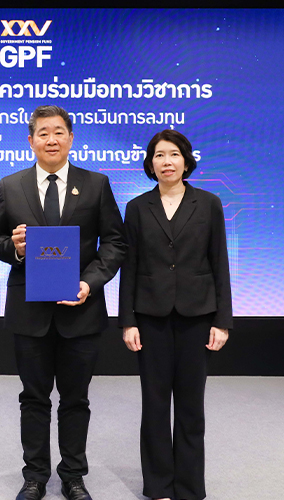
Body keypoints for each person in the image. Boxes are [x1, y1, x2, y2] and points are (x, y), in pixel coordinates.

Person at [0, 105, 126, 500]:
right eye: (43, 133)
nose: (51, 139)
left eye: (59, 132)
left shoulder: (96, 184)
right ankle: (34, 477)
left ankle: (73, 476)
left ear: (71, 138)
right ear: (31, 141)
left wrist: (89, 283)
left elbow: (115, 242)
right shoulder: (11, 185)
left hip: (81, 310)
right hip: (29, 313)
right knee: (33, 398)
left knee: (76, 399)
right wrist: (14, 248)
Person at [119, 129, 232, 500]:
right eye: (159, 155)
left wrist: (222, 321)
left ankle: (189, 486)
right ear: (150, 164)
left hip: (197, 316)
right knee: (154, 405)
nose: (166, 162)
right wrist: (127, 321)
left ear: (186, 161)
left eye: (173, 154)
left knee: (190, 406)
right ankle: (158, 485)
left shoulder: (209, 203)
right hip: (150, 317)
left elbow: (219, 263)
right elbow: (130, 267)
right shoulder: (137, 207)